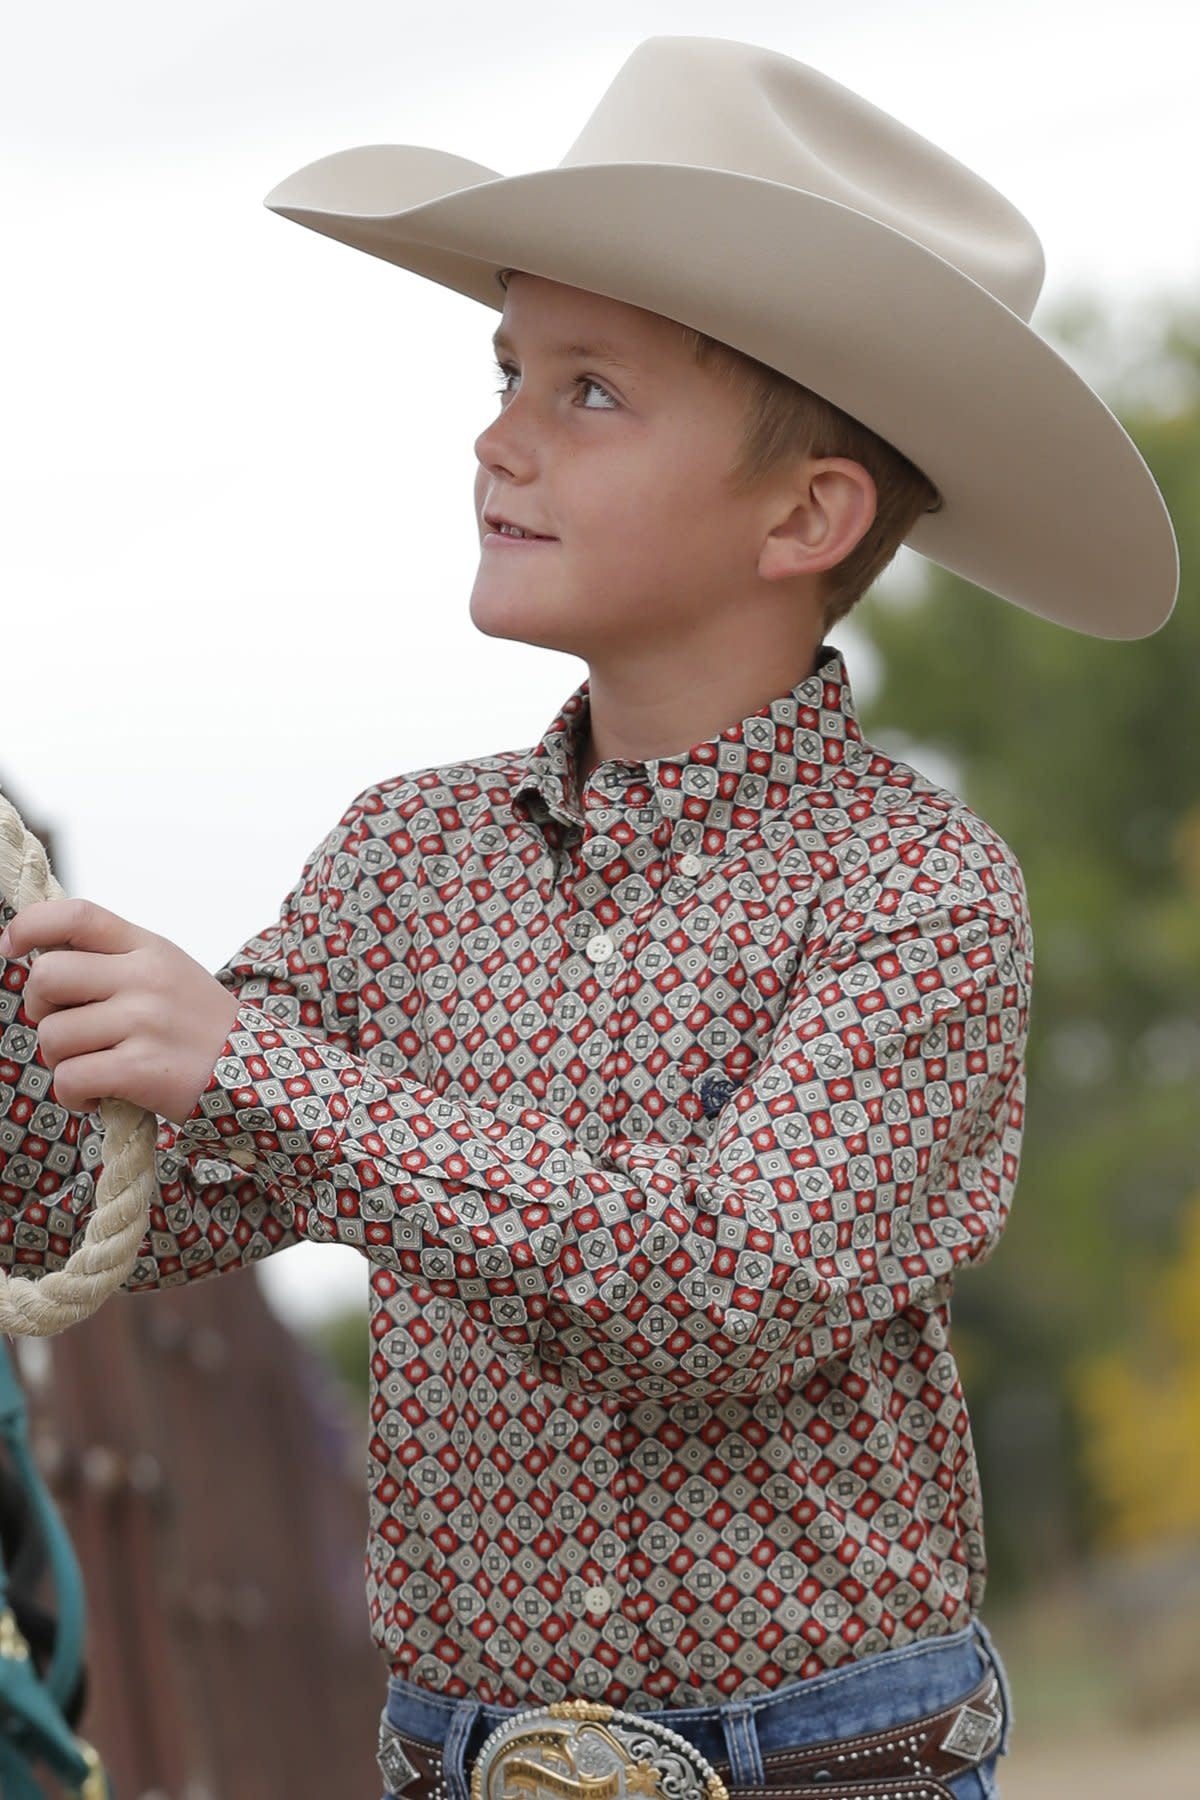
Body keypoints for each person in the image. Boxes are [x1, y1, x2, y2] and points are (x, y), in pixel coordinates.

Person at [0, 33, 1178, 1800]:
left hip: (834, 1767)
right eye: (506, 369)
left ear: (806, 512)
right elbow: (103, 1214)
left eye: (588, 393)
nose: (498, 437)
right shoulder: (405, 862)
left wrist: (262, 1069)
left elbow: (729, 1287)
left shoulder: (919, 892)